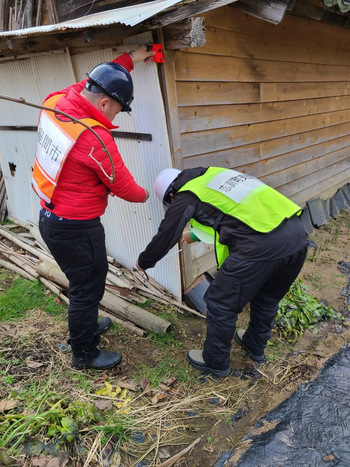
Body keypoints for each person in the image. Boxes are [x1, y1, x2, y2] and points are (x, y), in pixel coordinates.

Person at [33, 45, 155, 370]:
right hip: (75, 227)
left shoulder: (57, 100)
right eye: (117, 109)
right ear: (103, 102)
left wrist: (133, 59)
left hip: (52, 217)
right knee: (88, 286)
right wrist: (149, 195)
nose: (115, 115)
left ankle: (84, 327)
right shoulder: (94, 139)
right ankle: (84, 353)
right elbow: (125, 187)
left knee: (86, 280)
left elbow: (101, 75)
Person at [136, 166, 308, 377]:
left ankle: (215, 361)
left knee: (220, 302)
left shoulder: (187, 194)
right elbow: (232, 217)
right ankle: (254, 345)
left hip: (260, 245)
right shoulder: (213, 175)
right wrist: (195, 234)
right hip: (296, 234)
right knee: (267, 297)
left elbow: (166, 234)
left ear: (171, 195)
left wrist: (144, 261)